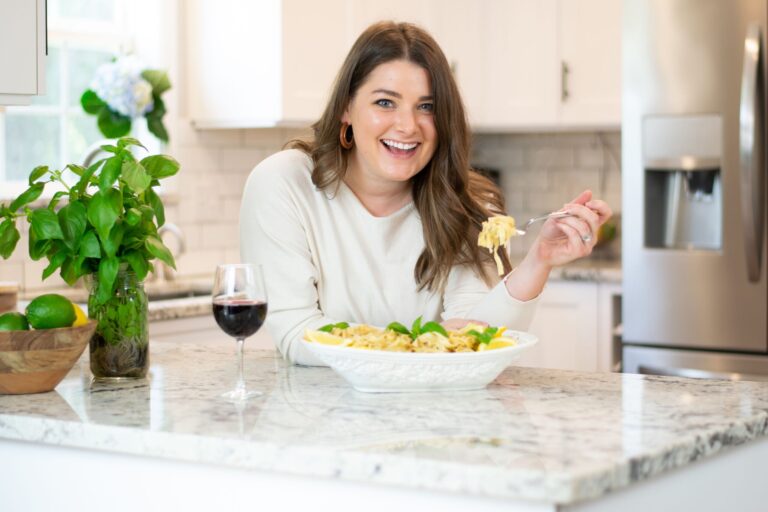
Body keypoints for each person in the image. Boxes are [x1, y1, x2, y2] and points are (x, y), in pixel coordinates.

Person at [240, 21, 612, 366]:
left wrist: (539, 260)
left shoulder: (470, 204)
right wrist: (417, 344)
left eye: (427, 107)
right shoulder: (283, 184)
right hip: (320, 419)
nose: (407, 126)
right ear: (346, 109)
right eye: (385, 102)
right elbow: (296, 334)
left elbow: (478, 338)